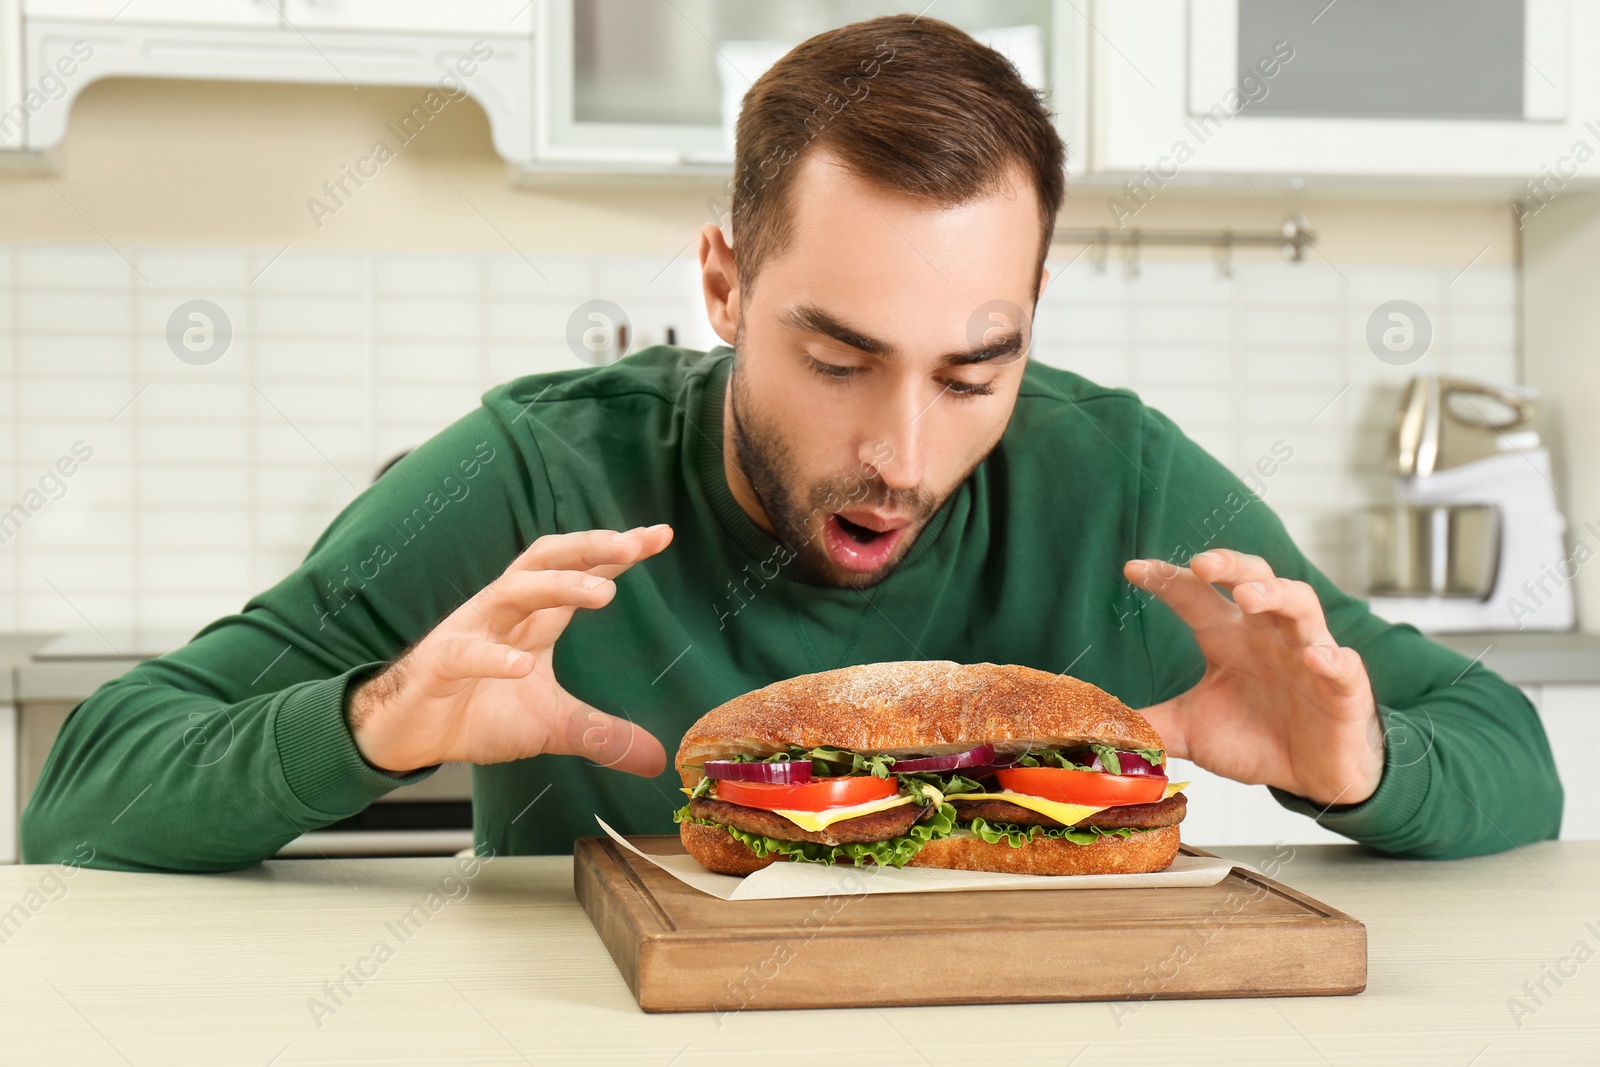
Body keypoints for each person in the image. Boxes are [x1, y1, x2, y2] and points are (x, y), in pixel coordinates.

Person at [22, 15, 1560, 871]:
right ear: (722, 286)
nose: (901, 449)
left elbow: (1512, 760)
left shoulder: (1127, 486)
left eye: (977, 367)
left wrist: (1360, 775)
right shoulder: (538, 478)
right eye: (838, 357)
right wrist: (368, 724)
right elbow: (81, 793)